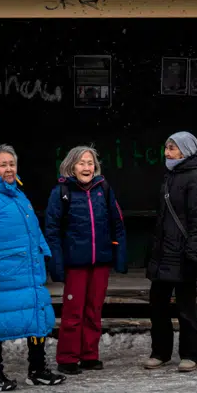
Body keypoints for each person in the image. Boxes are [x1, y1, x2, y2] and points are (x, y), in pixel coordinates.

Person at [0, 144, 63, 391]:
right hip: (0, 275)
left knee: (37, 320)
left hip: (28, 273)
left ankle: (37, 370)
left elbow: (34, 231)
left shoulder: (18, 195)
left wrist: (45, 253)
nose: (9, 169)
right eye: (3, 164)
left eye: (12, 164)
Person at [44, 146, 127, 374]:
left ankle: (89, 355)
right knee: (73, 312)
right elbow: (52, 231)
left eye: (90, 163)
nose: (87, 167)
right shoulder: (61, 192)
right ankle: (68, 358)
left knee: (94, 310)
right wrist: (56, 265)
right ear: (71, 166)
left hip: (100, 262)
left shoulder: (104, 189)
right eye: (81, 163)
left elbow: (117, 223)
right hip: (75, 264)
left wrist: (119, 258)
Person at [145, 131, 197, 374]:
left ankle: (191, 354)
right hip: (163, 253)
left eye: (172, 148)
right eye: (166, 147)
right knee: (157, 306)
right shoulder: (170, 176)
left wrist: (193, 249)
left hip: (184, 254)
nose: (167, 153)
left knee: (186, 307)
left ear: (186, 151)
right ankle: (160, 352)